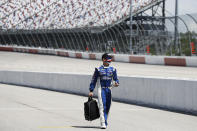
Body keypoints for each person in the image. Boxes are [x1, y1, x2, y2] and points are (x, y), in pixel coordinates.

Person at [89, 53, 119, 129]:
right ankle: (102, 122)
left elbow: (116, 79)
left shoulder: (113, 69)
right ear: (103, 59)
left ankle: (105, 120)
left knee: (108, 106)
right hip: (101, 89)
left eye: (110, 59)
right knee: (102, 106)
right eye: (108, 58)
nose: (109, 60)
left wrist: (116, 83)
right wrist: (91, 90)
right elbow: (93, 80)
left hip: (109, 89)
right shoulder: (98, 69)